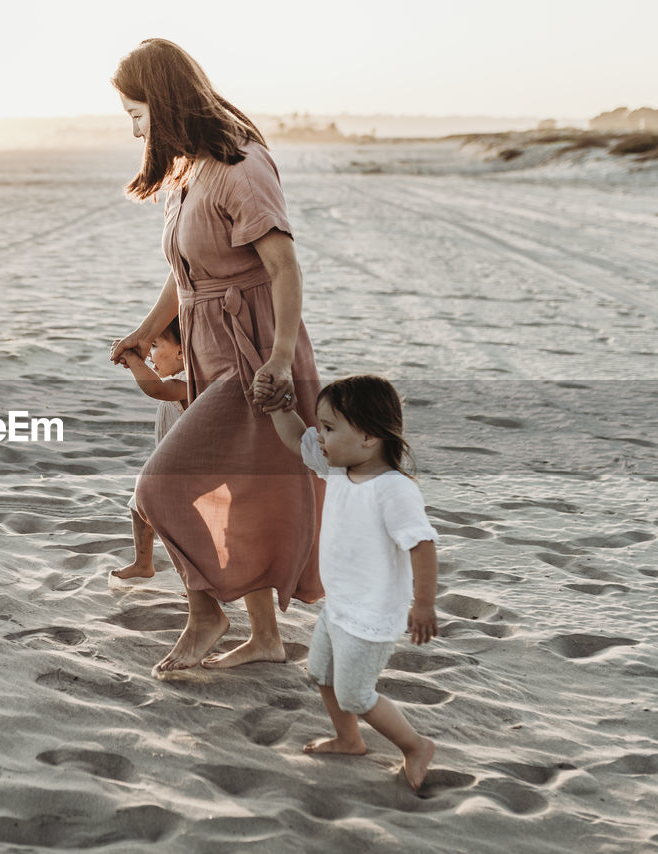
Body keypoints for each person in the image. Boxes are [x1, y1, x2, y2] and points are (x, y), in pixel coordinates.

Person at [108, 38, 325, 674]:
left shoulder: (239, 164)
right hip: (206, 342)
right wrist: (146, 332)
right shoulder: (190, 169)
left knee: (161, 485)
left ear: (166, 103)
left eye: (138, 114)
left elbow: (284, 266)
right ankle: (266, 638)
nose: (136, 128)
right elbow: (186, 274)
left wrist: (279, 357)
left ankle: (207, 614)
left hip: (251, 350)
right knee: (237, 493)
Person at [264, 374, 440, 791]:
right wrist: (277, 408)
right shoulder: (341, 470)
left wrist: (424, 603)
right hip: (339, 606)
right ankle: (349, 739)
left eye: (328, 428)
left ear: (368, 437)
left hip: (371, 615)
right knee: (321, 674)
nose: (319, 437)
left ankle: (415, 746)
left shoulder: (393, 489)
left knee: (356, 695)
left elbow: (422, 544)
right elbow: (297, 440)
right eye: (321, 426)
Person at [113, 318, 189, 580]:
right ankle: (143, 563)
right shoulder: (176, 379)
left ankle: (197, 583)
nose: (150, 352)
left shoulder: (188, 383)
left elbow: (155, 388)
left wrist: (136, 362)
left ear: (181, 351)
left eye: (155, 345)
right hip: (165, 465)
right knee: (138, 506)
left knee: (182, 530)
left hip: (187, 471)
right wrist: (138, 364)